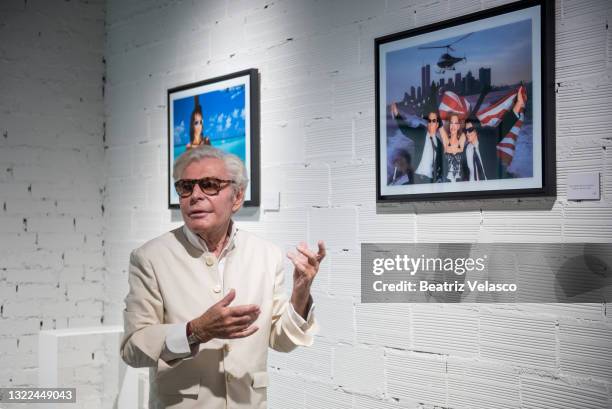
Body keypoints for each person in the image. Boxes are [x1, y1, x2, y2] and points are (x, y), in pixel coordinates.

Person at [120, 145, 325, 409]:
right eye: (185, 187)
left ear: (237, 197)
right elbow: (132, 348)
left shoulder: (267, 254)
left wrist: (301, 293)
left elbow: (282, 341)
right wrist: (195, 331)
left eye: (209, 185)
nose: (195, 195)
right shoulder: (150, 257)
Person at [391, 103, 444, 183]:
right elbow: (405, 130)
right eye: (429, 120)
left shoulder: (439, 144)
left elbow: (440, 164)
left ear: (437, 124)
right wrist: (396, 113)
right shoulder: (421, 134)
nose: (431, 123)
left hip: (430, 180)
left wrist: (438, 178)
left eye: (433, 121)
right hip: (416, 178)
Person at [439, 114, 466, 182]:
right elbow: (439, 124)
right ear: (449, 125)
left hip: (461, 184)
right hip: (446, 183)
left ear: (458, 126)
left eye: (456, 123)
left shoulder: (462, 140)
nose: (453, 126)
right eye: (451, 123)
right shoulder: (446, 141)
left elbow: (469, 124)